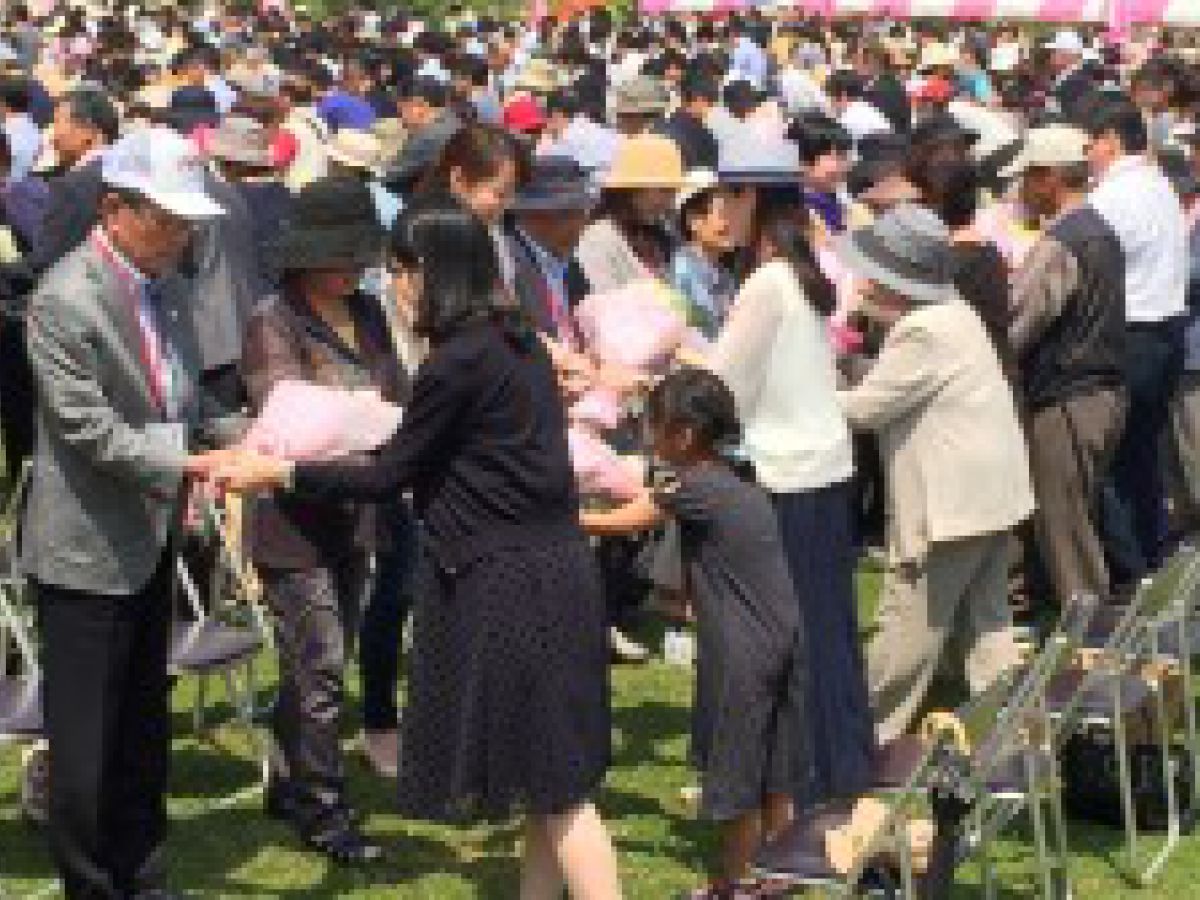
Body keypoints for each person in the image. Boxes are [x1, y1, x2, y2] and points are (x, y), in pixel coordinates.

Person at [208, 197, 620, 899]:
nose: (393, 286)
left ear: (427, 272)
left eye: (399, 270)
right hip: (556, 568)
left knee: (561, 795)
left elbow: (389, 473)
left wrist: (280, 470)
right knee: (544, 778)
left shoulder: (458, 361)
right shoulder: (519, 345)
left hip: (506, 581)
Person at [23, 126, 230, 900]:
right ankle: (90, 882)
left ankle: (144, 873)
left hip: (150, 541)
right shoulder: (65, 299)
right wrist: (192, 463)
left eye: (187, 222)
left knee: (143, 729)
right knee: (86, 747)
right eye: (167, 220)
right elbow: (88, 429)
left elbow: (187, 399)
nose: (181, 236)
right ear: (116, 208)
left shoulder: (165, 288)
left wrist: (250, 435)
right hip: (86, 551)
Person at [582, 367, 810, 896]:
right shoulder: (738, 481)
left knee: (736, 779)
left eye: (654, 427)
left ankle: (732, 885)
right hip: (787, 637)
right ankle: (784, 876)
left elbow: (628, 521)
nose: (648, 436)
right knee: (777, 771)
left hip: (744, 649)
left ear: (683, 435)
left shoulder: (695, 486)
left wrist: (573, 520)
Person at [241, 176, 402, 863]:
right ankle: (324, 810)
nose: (352, 270)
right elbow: (289, 409)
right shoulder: (271, 319)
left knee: (315, 660)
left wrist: (364, 412)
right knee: (323, 664)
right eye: (340, 257)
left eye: (359, 256)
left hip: (357, 511)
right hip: (293, 517)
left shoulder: (366, 310)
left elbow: (394, 390)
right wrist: (364, 414)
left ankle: (288, 777)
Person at [837, 204, 1032, 742]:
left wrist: (799, 400)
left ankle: (860, 738)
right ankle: (1011, 741)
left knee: (908, 631)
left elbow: (866, 408)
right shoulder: (954, 314)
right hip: (991, 497)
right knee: (989, 630)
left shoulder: (921, 331)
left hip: (951, 505)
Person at [707, 195, 874, 805]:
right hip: (823, 470)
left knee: (791, 637)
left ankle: (803, 780)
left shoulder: (768, 284)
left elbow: (719, 386)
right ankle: (839, 766)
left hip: (787, 476)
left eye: (732, 197)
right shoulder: (801, 278)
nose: (722, 212)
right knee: (828, 626)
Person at [1007, 124, 1128, 608]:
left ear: (1048, 178)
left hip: (1069, 399)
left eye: (1028, 178)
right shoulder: (1100, 229)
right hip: (1099, 394)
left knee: (1068, 532)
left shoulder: (1063, 242)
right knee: (1076, 519)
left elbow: (1020, 322)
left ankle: (1092, 648)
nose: (1021, 190)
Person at [1085, 99, 1189, 582]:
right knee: (1143, 454)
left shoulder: (1115, 194)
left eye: (1091, 144)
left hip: (1135, 332)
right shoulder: (1159, 185)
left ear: (1109, 141)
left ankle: (1129, 567)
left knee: (1114, 459)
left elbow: (1092, 263)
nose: (1087, 154)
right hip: (1165, 330)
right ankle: (1151, 550)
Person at [507, 155, 593, 348]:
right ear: (536, 216)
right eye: (574, 213)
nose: (583, 224)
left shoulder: (570, 267)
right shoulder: (509, 266)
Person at [669, 169, 736, 339]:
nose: (731, 222)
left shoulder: (724, 275)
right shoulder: (681, 273)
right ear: (694, 221)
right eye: (722, 214)